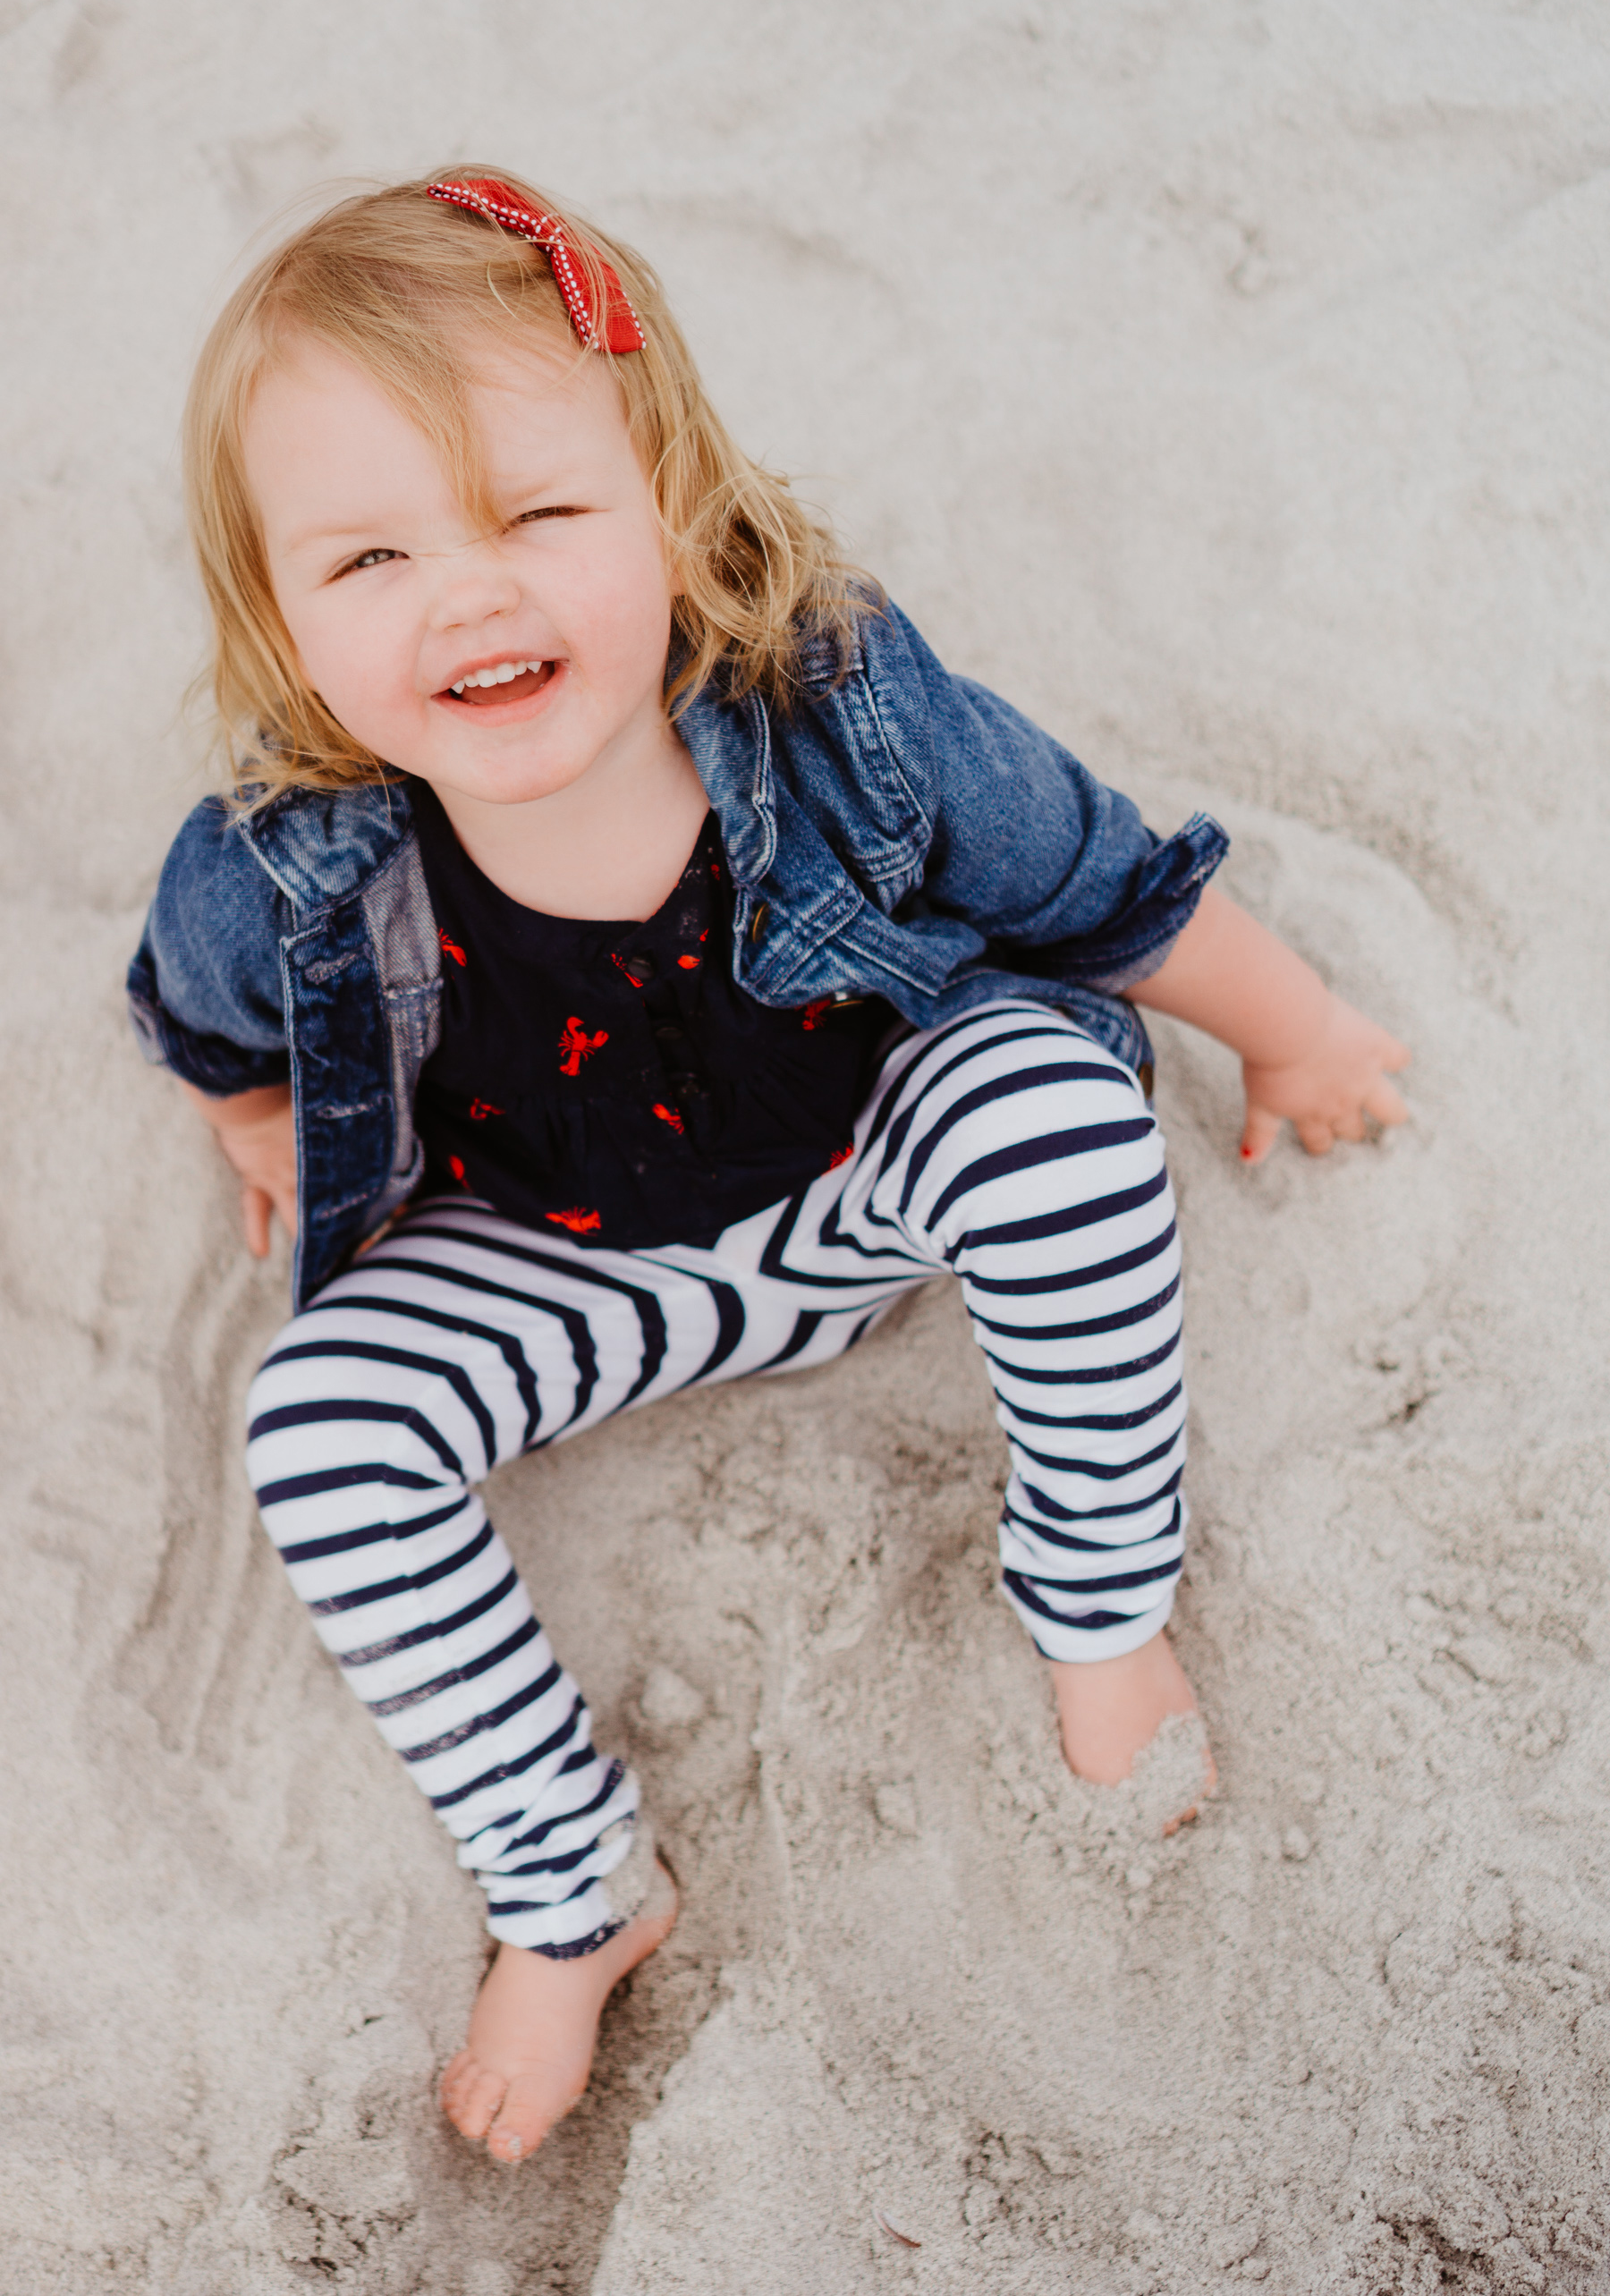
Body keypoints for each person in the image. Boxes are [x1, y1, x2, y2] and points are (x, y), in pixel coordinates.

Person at [128, 169, 1409, 2165]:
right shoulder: (281, 853)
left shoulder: (839, 705)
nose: (471, 595)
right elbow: (201, 1022)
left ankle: (1097, 1601)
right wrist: (261, 1121)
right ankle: (574, 1893)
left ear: (675, 508)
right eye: (367, 558)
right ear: (281, 620)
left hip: (863, 1171)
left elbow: (1093, 886)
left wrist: (1296, 1026)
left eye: (540, 516)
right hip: (572, 1259)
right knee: (315, 1428)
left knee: (1060, 1108)